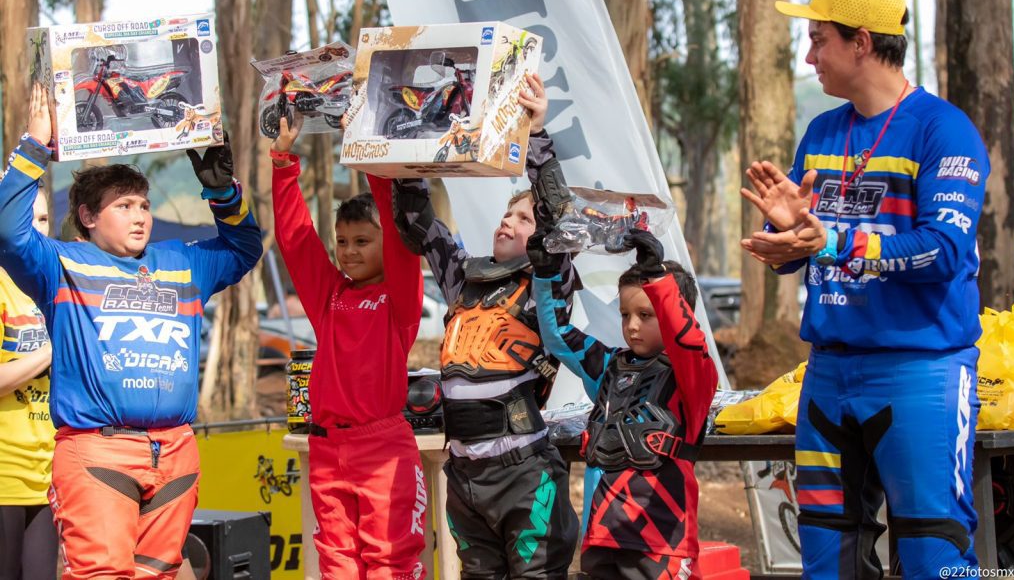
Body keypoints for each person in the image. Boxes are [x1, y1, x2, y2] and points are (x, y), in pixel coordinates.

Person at [740, 0, 989, 577]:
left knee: (935, 553)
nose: (809, 54)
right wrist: (784, 239)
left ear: (862, 41)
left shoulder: (942, 130)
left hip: (921, 374)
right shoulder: (822, 133)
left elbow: (944, 251)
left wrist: (832, 243)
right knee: (826, 560)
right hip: (828, 375)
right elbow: (810, 245)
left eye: (819, 38)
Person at [0, 84, 262, 578]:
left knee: (159, 575)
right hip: (96, 450)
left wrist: (224, 194)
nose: (140, 215)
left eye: (142, 205)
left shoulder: (183, 263)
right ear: (87, 217)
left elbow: (245, 249)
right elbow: (6, 231)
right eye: (124, 206)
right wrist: (33, 146)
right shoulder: (60, 264)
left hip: (177, 451)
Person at [392, 73, 580, 579]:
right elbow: (419, 225)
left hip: (524, 473)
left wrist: (537, 136)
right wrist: (400, 141)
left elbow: (559, 221)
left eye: (523, 219)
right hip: (465, 476)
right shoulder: (464, 279)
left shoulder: (549, 280)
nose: (507, 223)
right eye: (505, 215)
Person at [271, 112, 426, 578]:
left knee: (389, 561)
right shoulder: (330, 296)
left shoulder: (399, 298)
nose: (349, 251)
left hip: (383, 448)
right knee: (336, 563)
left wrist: (366, 146)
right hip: (326, 449)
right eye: (342, 241)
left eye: (362, 240)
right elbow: (296, 241)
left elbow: (401, 245)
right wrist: (282, 162)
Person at [530, 228, 717, 580]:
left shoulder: (693, 375)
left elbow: (687, 338)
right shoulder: (610, 367)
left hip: (664, 541)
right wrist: (545, 270)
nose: (632, 326)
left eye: (646, 315)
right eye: (625, 314)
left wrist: (658, 279)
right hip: (604, 537)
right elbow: (557, 334)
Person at [0, 183, 58, 580]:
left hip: (49, 477)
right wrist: (50, 352)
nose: (35, 230)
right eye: (25, 219)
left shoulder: (53, 285)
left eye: (42, 219)